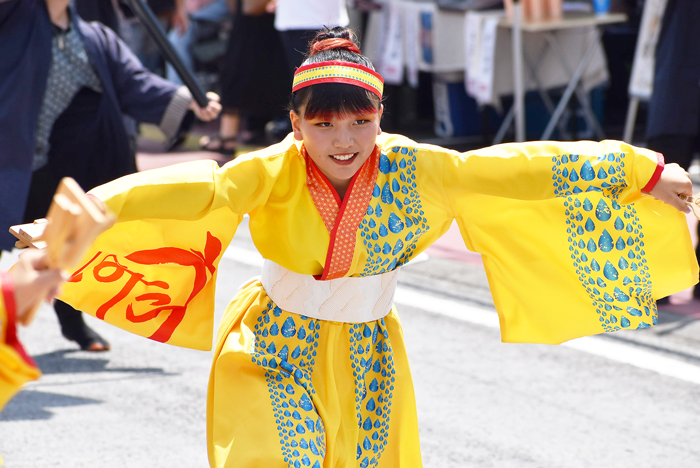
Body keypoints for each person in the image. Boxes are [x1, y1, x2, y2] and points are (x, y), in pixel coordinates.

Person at [58, 27, 697, 467]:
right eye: (324, 123)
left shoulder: (420, 168)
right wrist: (71, 220)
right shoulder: (271, 169)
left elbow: (521, 167)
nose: (344, 139)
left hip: (369, 350)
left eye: (361, 121)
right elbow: (190, 187)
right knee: (284, 456)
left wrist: (639, 169)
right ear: (296, 122)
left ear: (380, 117)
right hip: (273, 343)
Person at [0, 0, 222, 352]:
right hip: (11, 155)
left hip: (65, 163)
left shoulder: (94, 36)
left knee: (68, 247)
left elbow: (134, 83)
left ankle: (72, 321)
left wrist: (187, 101)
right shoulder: (11, 16)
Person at [645, 0, 700, 302]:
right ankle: (657, 280)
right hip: (678, 76)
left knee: (663, 189)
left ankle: (660, 281)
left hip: (677, 77)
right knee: (663, 189)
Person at [199, 0, 288, 156]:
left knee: (236, 73)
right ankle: (229, 137)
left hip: (253, 23)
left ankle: (227, 137)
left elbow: (248, 8)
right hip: (269, 23)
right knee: (263, 76)